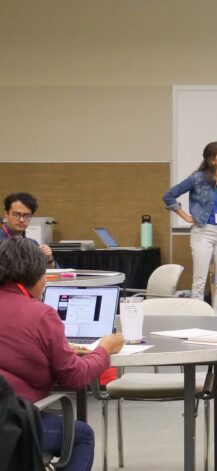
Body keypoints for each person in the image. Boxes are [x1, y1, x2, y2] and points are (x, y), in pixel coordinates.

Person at [0, 238, 124, 471]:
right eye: (44, 275)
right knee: (82, 436)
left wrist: (60, 349)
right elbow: (74, 378)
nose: (46, 281)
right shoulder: (40, 314)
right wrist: (104, 349)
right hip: (12, 423)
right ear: (33, 276)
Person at [162, 141, 217, 314]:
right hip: (203, 232)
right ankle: (198, 320)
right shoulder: (197, 178)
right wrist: (185, 216)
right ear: (212, 160)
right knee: (200, 281)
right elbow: (169, 196)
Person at [1, 192, 57, 267]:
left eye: (26, 216)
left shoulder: (32, 244)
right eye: (16, 215)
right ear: (6, 214)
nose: (21, 220)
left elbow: (56, 272)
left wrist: (49, 259)